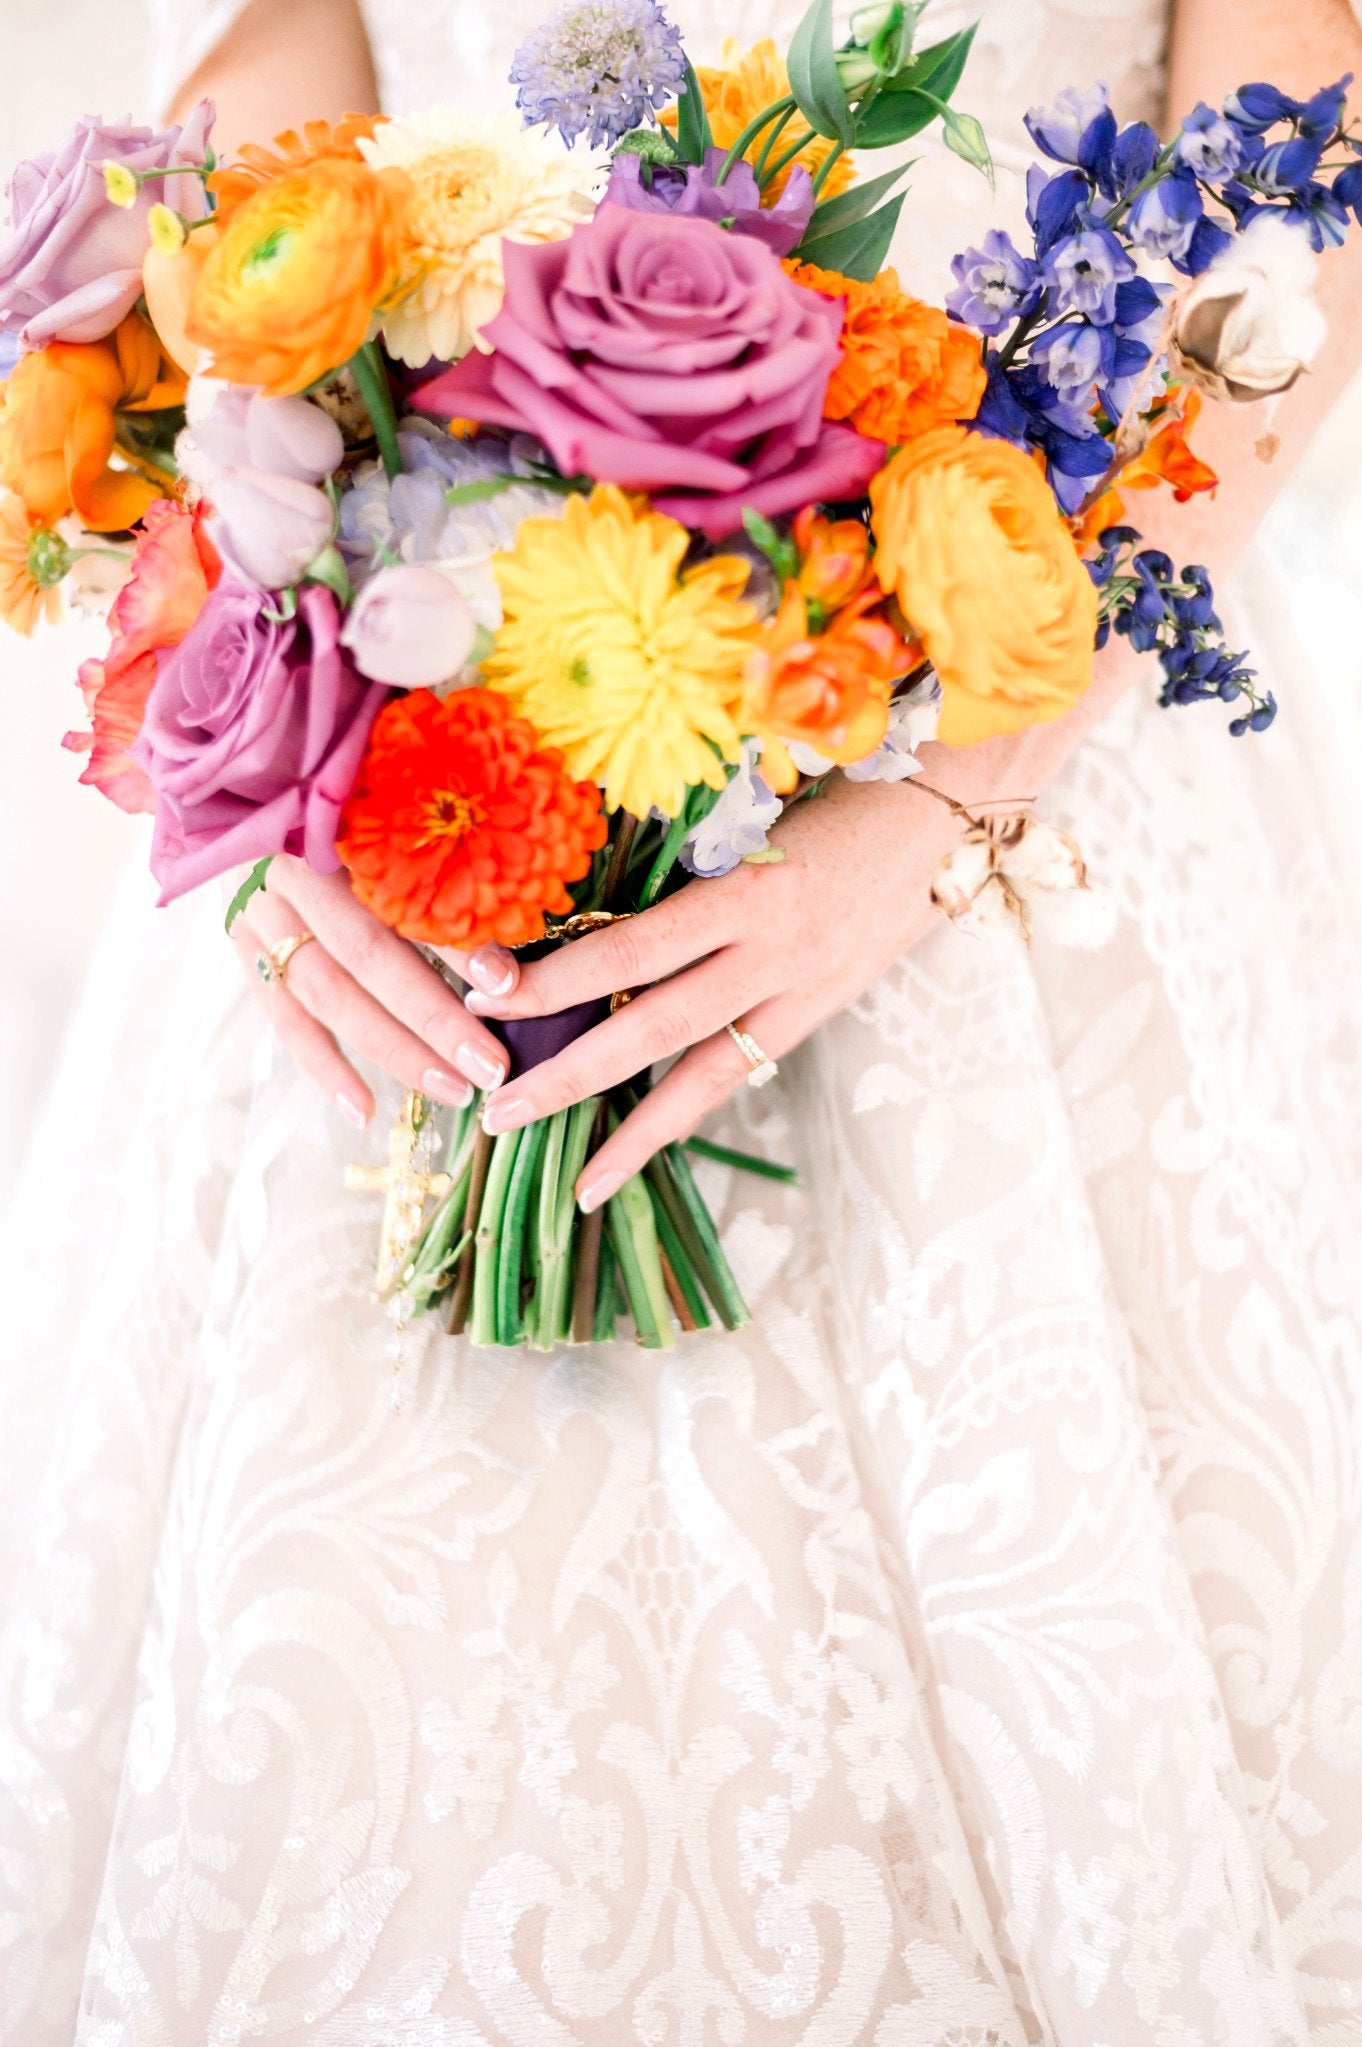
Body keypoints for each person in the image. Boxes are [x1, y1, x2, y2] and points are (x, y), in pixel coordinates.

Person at [1, 0, 1360, 2036]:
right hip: (429, 652)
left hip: (1034, 677)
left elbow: (1304, 134)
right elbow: (308, 45)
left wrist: (952, 800)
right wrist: (236, 650)